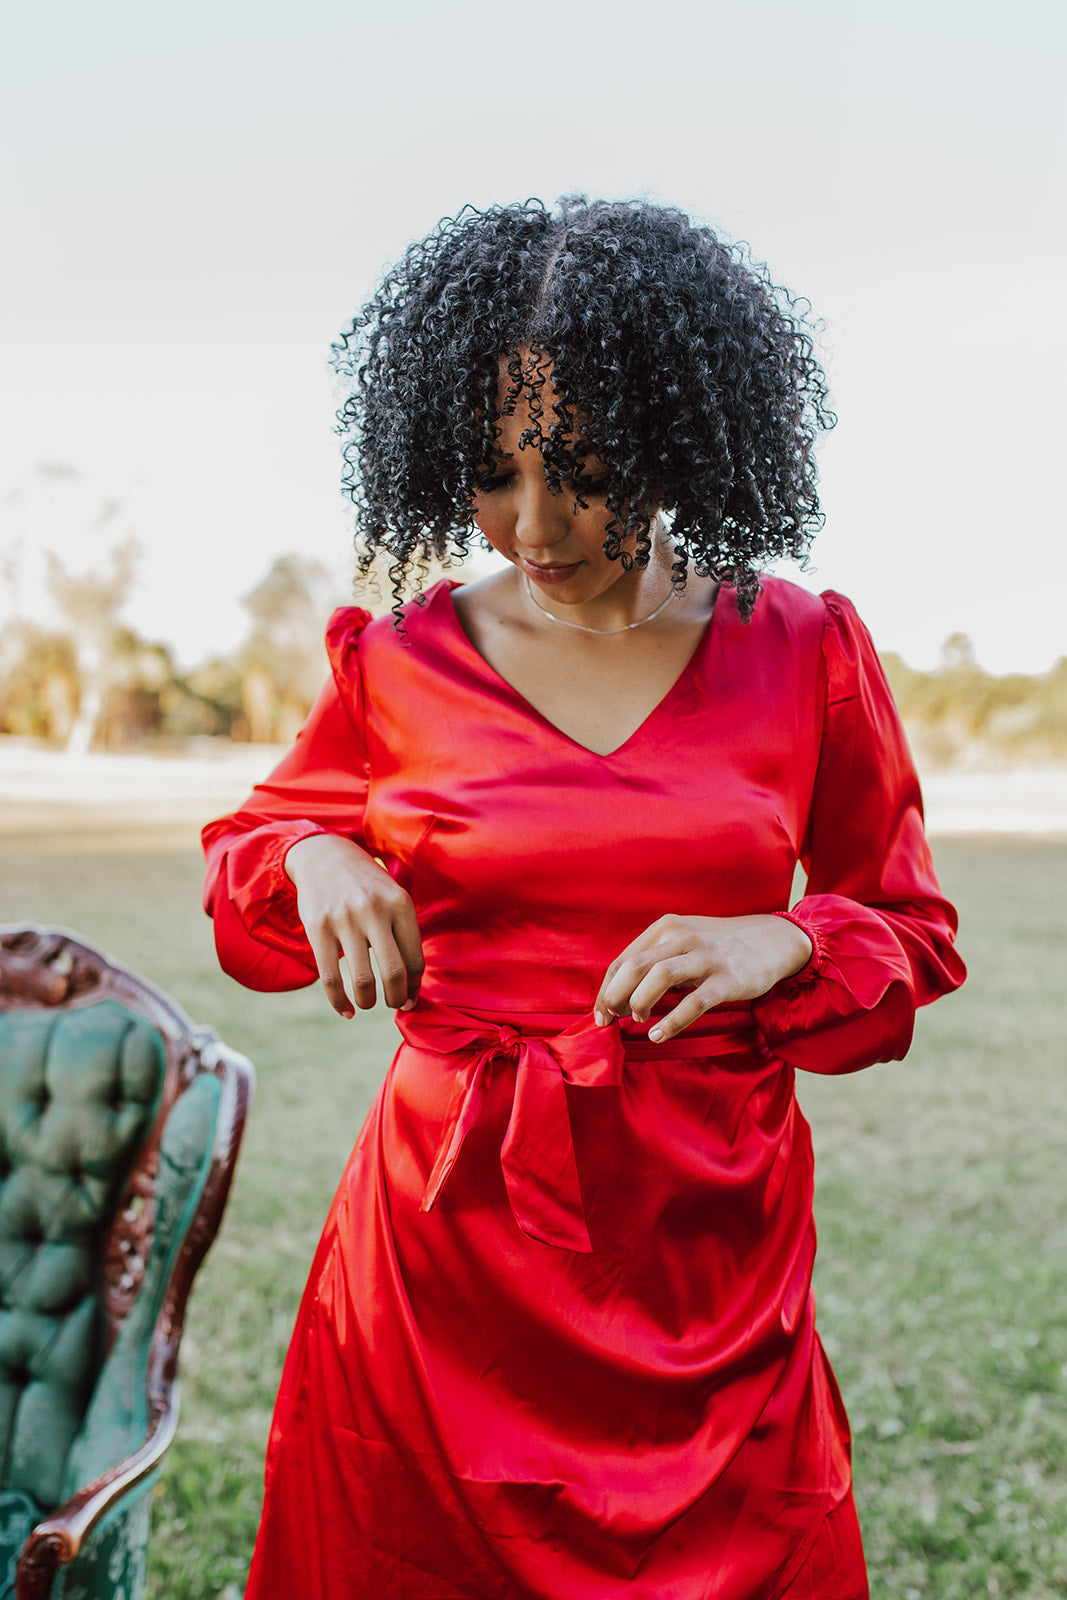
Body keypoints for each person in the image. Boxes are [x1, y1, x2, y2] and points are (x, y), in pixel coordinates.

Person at [202, 196, 965, 1600]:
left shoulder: (803, 649)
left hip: (705, 1265)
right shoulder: (401, 659)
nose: (537, 523)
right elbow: (250, 859)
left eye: (589, 471)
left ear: (683, 437)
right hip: (442, 1263)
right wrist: (314, 854)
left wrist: (784, 936)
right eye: (493, 473)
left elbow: (911, 937)